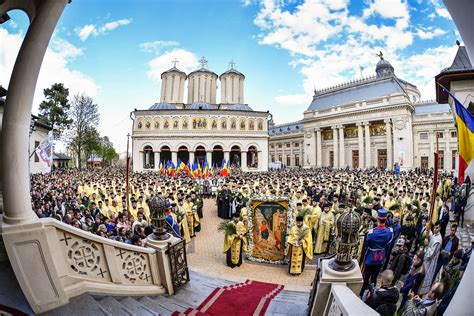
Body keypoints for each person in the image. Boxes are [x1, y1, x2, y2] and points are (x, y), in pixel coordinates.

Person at [360, 208, 393, 297]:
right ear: (386, 219)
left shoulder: (371, 232)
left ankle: (361, 294)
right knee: (374, 278)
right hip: (380, 258)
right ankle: (371, 295)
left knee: (366, 278)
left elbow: (366, 245)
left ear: (377, 219)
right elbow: (388, 245)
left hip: (370, 258)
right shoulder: (390, 232)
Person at [419, 222, 442, 295]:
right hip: (426, 260)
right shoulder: (434, 235)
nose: (435, 229)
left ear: (440, 228)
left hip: (429, 262)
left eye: (437, 228)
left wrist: (426, 246)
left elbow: (430, 255)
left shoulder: (438, 240)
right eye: (434, 227)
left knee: (423, 278)